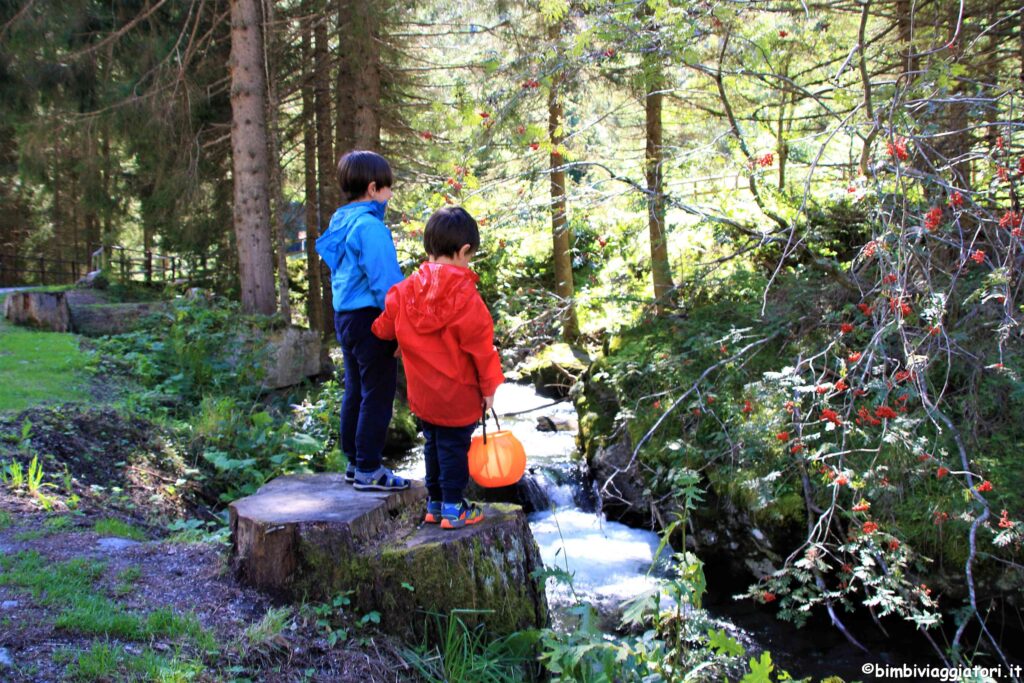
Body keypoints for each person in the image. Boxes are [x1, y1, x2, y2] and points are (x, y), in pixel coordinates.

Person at [371, 206, 504, 529]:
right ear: (464, 251)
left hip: (423, 396)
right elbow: (483, 353)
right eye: (469, 257)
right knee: (453, 449)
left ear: (428, 248)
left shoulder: (403, 293)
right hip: (458, 396)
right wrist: (489, 391)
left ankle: (434, 504)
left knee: (432, 445)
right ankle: (454, 508)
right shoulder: (469, 301)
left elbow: (383, 328)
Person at [315, 150, 409, 492]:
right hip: (372, 319)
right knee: (379, 393)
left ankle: (355, 463)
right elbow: (387, 284)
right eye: (387, 189)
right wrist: (401, 328)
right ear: (372, 188)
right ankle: (370, 467)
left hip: (345, 318)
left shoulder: (341, 221)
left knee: (355, 389)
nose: (389, 196)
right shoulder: (370, 227)